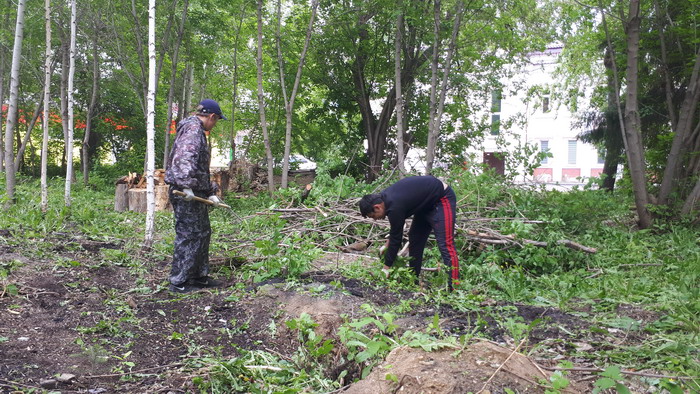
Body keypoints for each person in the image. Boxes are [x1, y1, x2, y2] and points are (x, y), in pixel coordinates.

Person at [164, 99, 227, 293]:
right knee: (188, 235)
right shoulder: (192, 130)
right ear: (211, 116)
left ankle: (199, 276)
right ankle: (179, 281)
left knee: (202, 233)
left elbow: (199, 168)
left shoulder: (197, 131)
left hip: (195, 191)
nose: (214, 125)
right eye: (215, 121)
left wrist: (209, 191)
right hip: (184, 192)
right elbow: (184, 159)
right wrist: (186, 187)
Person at [359, 175, 459, 291]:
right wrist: (386, 245)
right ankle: (414, 280)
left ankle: (455, 287)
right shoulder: (385, 200)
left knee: (445, 244)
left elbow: (397, 239)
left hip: (441, 198)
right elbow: (395, 229)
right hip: (425, 205)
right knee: (415, 239)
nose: (375, 219)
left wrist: (386, 268)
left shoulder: (394, 206)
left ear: (377, 207)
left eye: (373, 216)